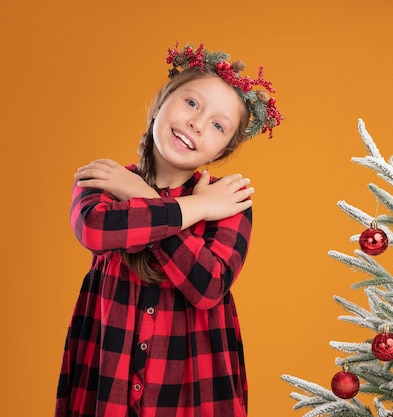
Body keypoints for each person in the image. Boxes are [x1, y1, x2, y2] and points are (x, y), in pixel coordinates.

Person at [55, 43, 282, 417]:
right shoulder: (106, 180)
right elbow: (95, 230)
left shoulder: (228, 200)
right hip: (108, 370)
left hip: (194, 381)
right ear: (161, 103)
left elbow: (209, 286)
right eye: (192, 104)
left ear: (221, 151)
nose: (196, 123)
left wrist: (144, 196)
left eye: (217, 125)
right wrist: (198, 208)